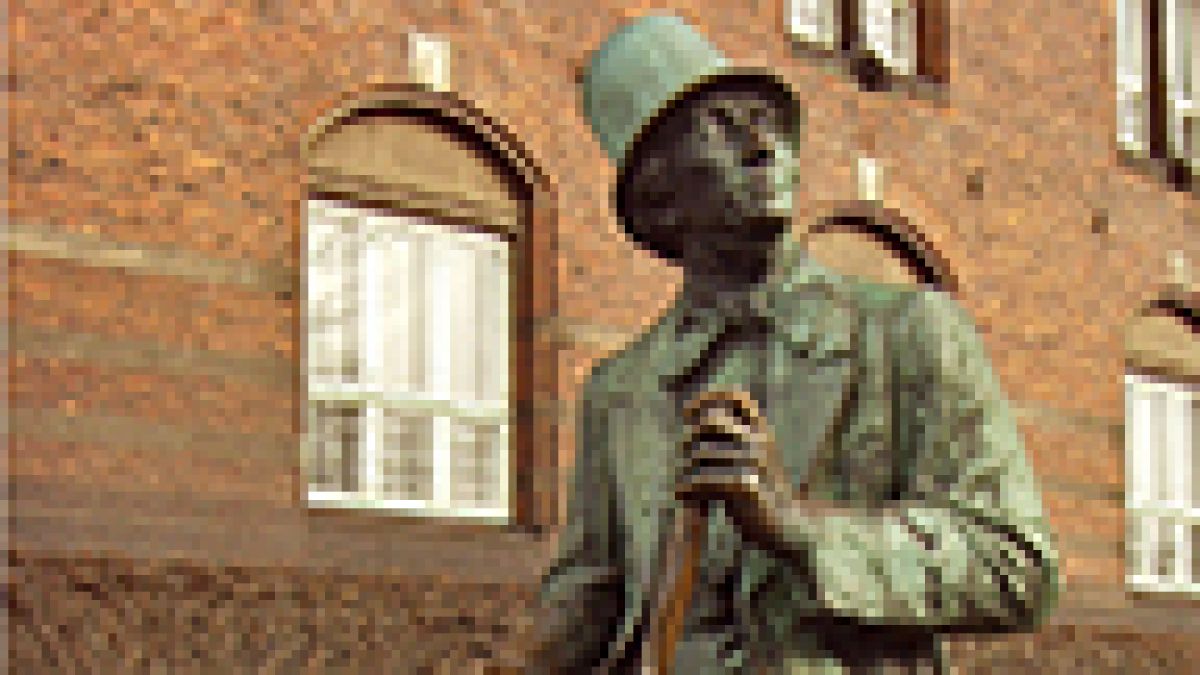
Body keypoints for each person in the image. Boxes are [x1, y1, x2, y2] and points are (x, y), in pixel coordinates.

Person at [517, 13, 1059, 674]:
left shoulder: (910, 333)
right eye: (721, 126)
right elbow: (591, 594)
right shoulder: (619, 390)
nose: (762, 144)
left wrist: (798, 526)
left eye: (769, 122)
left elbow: (1017, 567)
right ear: (659, 198)